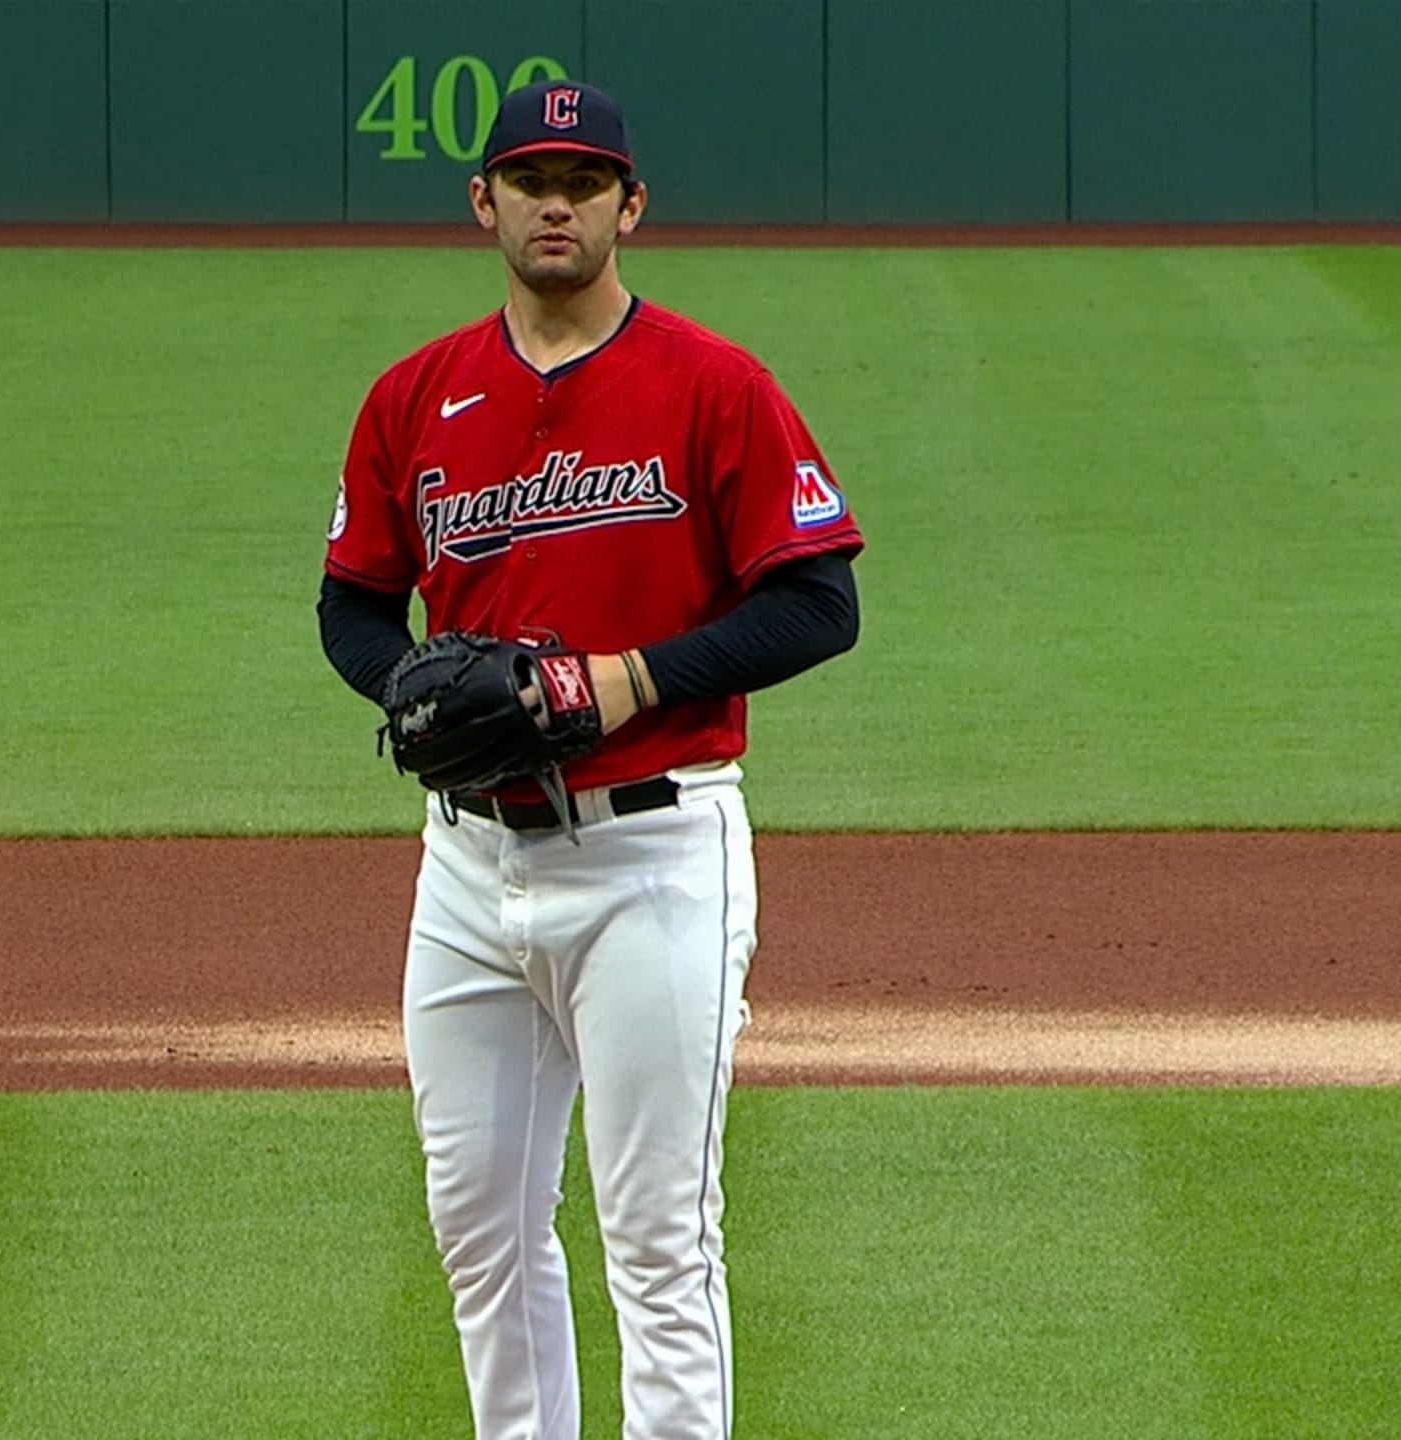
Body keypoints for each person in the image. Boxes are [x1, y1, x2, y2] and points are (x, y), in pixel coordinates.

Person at [317, 80, 865, 1440]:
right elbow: (352, 601)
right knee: (483, 1239)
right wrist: (415, 687)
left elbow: (819, 601)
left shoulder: (715, 386)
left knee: (658, 1243)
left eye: (581, 179)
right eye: (527, 177)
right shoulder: (413, 398)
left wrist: (626, 679)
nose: (552, 201)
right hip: (467, 870)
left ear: (632, 206)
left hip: (654, 858)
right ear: (482, 202)